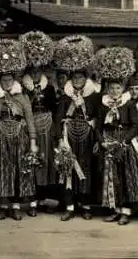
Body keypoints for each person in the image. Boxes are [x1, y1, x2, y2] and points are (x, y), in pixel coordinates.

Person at [0, 39, 38, 220]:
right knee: (1, 170)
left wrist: (33, 142)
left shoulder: (22, 97)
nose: (7, 82)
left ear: (14, 80)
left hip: (19, 137)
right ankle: (3, 206)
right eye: (4, 80)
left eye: (9, 79)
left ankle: (15, 206)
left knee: (18, 169)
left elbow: (29, 119)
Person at [94, 47, 138, 225]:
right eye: (111, 88)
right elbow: (98, 126)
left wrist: (124, 142)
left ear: (122, 88)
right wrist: (102, 143)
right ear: (107, 88)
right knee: (111, 177)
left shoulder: (128, 104)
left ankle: (126, 211)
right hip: (108, 142)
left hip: (124, 142)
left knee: (126, 176)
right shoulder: (103, 105)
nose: (114, 91)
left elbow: (136, 124)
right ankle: (114, 209)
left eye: (117, 87)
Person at [52, 35, 100, 221]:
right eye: (75, 77)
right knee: (67, 169)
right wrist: (59, 139)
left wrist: (96, 138)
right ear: (71, 79)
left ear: (85, 78)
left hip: (87, 138)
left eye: (81, 76)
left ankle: (85, 205)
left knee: (86, 169)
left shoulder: (93, 96)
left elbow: (97, 117)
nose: (78, 80)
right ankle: (70, 206)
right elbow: (58, 119)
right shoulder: (65, 97)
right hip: (68, 137)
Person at [19, 31, 58, 216]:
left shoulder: (49, 88)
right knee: (31, 161)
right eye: (32, 72)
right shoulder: (22, 90)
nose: (35, 74)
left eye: (38, 71)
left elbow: (53, 108)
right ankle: (31, 200)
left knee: (46, 161)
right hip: (30, 127)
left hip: (47, 127)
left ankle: (43, 199)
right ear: (28, 73)